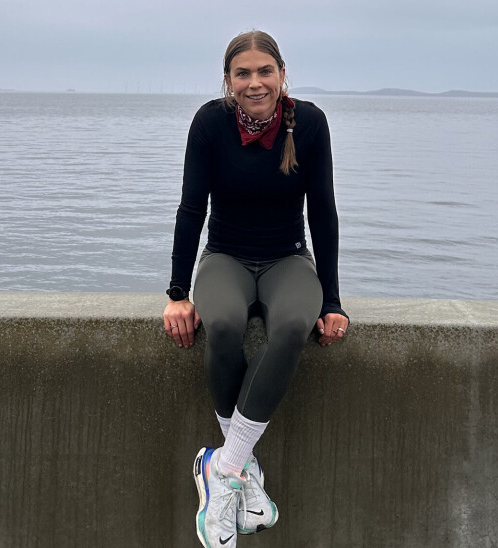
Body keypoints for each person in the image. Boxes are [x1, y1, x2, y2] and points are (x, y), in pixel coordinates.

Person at [163, 30, 349, 548]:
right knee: (221, 324)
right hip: (224, 257)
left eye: (264, 71)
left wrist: (332, 302)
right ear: (227, 81)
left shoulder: (310, 124)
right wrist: (179, 292)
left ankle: (221, 469)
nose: (255, 82)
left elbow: (324, 214)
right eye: (242, 73)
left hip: (288, 258)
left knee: (291, 326)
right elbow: (190, 209)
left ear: (282, 75)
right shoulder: (209, 123)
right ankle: (240, 473)